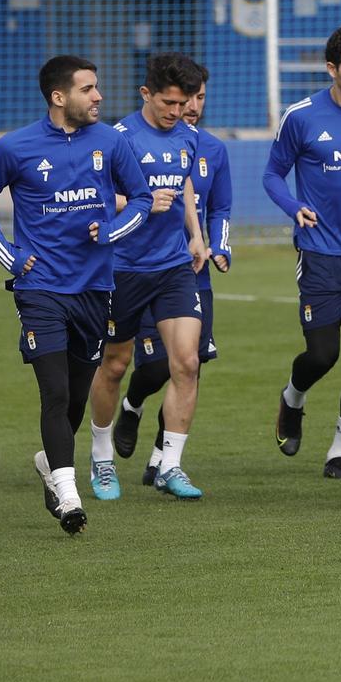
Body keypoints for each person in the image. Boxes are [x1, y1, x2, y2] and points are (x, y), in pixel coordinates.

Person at [0, 55, 167, 534]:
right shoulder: (16, 147)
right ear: (59, 97)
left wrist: (112, 232)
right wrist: (11, 258)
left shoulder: (110, 142)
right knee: (54, 392)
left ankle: (49, 465)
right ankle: (70, 493)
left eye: (97, 88)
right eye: (88, 89)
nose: (98, 96)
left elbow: (140, 199)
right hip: (40, 290)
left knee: (77, 396)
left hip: (96, 289)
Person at [266, 27, 341, 479]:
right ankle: (292, 398)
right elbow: (273, 176)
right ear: (331, 69)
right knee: (322, 355)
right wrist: (292, 206)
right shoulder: (301, 116)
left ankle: (339, 453)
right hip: (320, 252)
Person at [88, 53, 211, 501]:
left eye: (184, 103)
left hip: (174, 266)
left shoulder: (188, 136)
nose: (177, 112)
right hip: (123, 269)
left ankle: (170, 466)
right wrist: (137, 203)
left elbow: (185, 185)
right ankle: (101, 459)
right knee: (116, 364)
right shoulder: (117, 139)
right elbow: (94, 198)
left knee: (187, 362)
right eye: (168, 103)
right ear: (146, 93)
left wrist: (196, 234)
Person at [118, 68, 233, 486]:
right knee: (153, 368)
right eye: (185, 100)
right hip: (138, 268)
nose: (191, 108)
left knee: (188, 364)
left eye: (199, 98)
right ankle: (131, 404)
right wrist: (142, 204)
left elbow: (218, 206)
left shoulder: (210, 148)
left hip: (189, 271)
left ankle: (161, 462)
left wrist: (212, 242)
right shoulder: (128, 138)